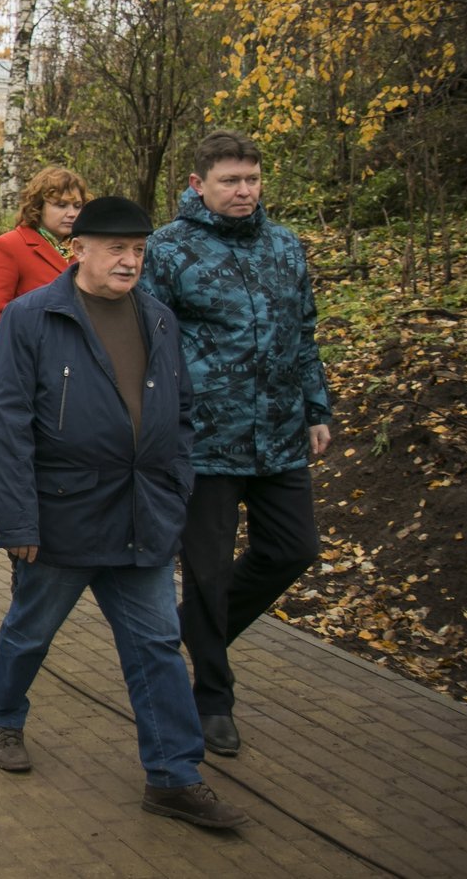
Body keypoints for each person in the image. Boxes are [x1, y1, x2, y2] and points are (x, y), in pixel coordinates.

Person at [0, 195, 248, 829]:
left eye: (138, 251)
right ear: (80, 251)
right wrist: (18, 520)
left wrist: (176, 484)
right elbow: (7, 422)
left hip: (141, 515)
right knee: (30, 631)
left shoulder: (157, 318)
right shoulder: (33, 318)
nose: (130, 261)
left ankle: (173, 777)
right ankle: (3, 717)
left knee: (157, 645)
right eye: (117, 249)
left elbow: (181, 411)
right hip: (62, 515)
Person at [141, 130, 331, 759]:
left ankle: (199, 630)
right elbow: (149, 345)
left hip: (278, 435)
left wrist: (315, 408)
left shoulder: (284, 245)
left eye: (252, 179)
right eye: (231, 181)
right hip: (205, 441)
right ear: (199, 185)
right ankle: (212, 698)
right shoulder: (168, 251)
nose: (245, 191)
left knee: (292, 550)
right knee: (209, 570)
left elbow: (302, 332)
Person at [0, 166, 88, 342]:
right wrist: (28, 355)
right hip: (32, 361)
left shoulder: (83, 249)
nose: (72, 213)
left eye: (77, 206)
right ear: (39, 206)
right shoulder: (9, 246)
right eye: (61, 205)